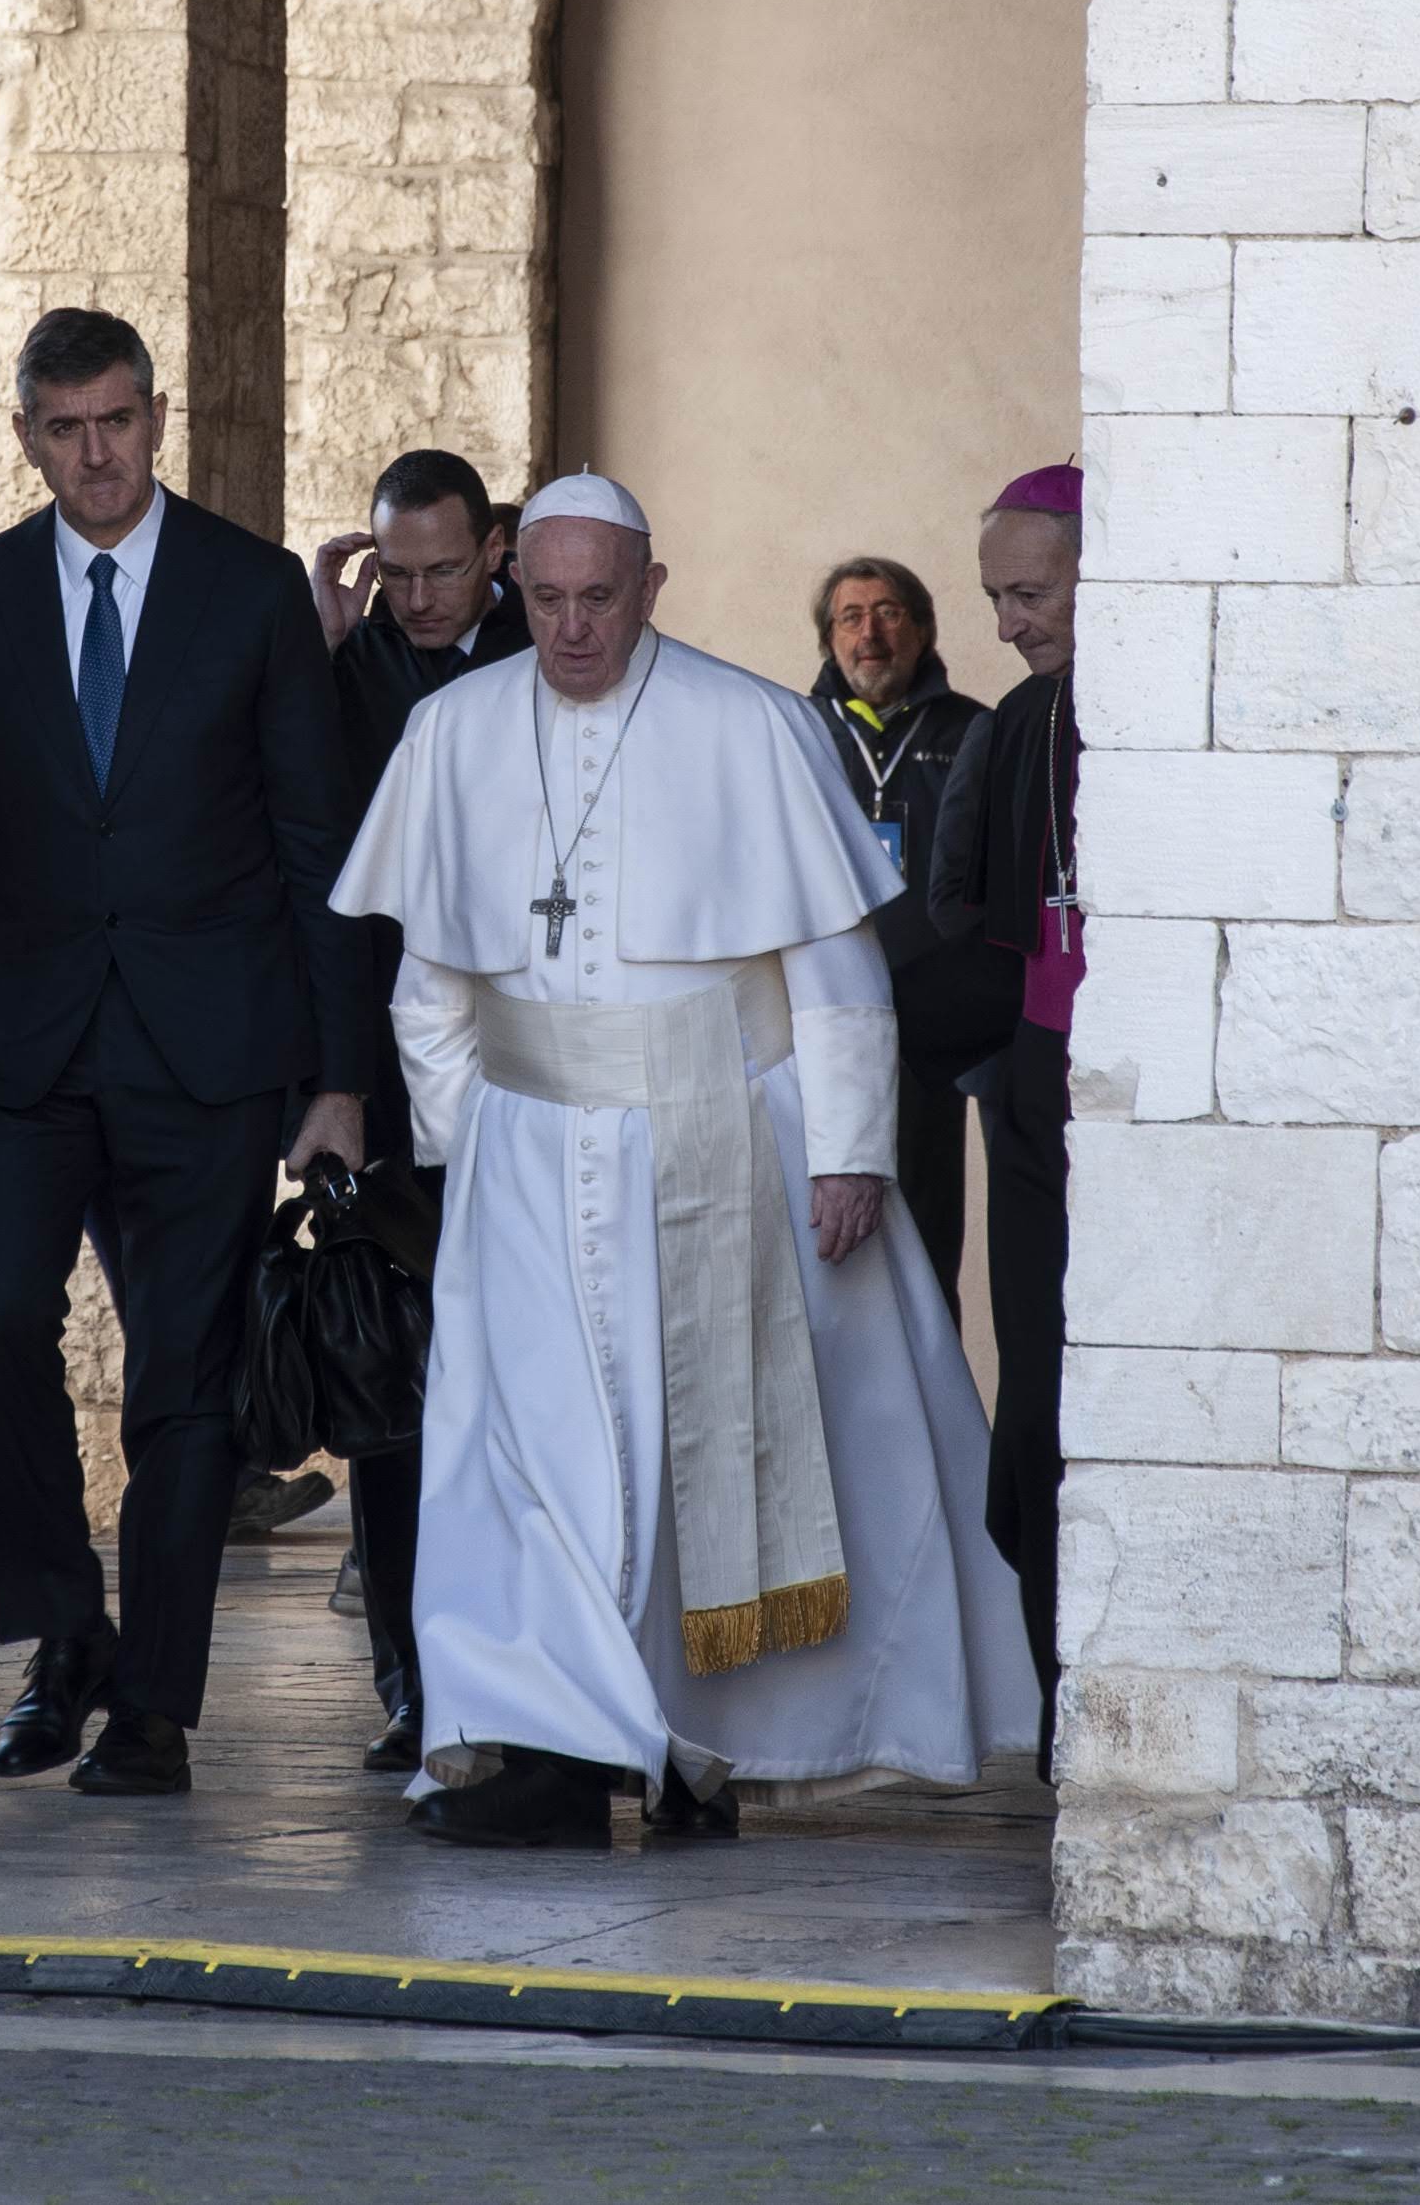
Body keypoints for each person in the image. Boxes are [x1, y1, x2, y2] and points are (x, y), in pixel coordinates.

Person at [331, 469, 1036, 1850]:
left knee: (680, 1455)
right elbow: (429, 980)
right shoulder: (453, 729)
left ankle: (689, 1746)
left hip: (724, 1138)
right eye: (545, 598)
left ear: (653, 586)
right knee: (524, 1453)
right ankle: (545, 1741)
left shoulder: (753, 725)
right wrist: (467, 1139)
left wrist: (847, 1155)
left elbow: (835, 972)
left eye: (602, 597)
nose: (574, 628)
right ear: (505, 585)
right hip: (527, 1150)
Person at [0, 307, 368, 1800]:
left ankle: (154, 1703)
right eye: (65, 427)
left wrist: (334, 1076)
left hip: (209, 1053)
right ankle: (65, 1630)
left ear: (159, 417)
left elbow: (314, 844)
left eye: (118, 421)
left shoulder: (253, 590)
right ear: (25, 433)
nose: (96, 452)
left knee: (182, 1384)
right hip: (18, 1047)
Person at [311, 446, 530, 1772]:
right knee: (393, 1380)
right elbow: (320, 881)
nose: (423, 595)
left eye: (445, 567)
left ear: (493, 550)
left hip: (527, 1066)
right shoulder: (352, 669)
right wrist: (326, 655)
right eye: (397, 573)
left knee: (518, 1376)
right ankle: (409, 1674)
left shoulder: (546, 658)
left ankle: (519, 1659)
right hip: (388, 1079)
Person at [931, 462, 1083, 1774]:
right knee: (1032, 1404)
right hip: (1032, 1105)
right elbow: (968, 923)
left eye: (1028, 592)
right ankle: (1057, 1704)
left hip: (1144, 1111)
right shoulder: (1021, 720)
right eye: (995, 595)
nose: (1008, 623)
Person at [804, 557, 1021, 1322]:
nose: (871, 633)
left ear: (923, 628)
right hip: (821, 1021)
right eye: (850, 616)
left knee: (925, 1246)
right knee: (819, 1246)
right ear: (827, 638)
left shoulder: (976, 729)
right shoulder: (795, 734)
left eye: (889, 612)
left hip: (932, 1027)